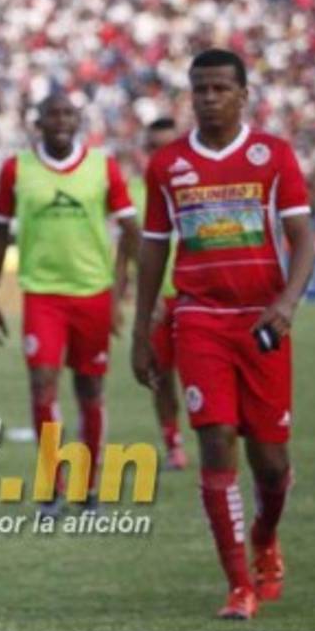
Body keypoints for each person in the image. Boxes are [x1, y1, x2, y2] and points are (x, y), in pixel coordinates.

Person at [132, 49, 315, 621]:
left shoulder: (273, 155)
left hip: (263, 320)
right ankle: (239, 584)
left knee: (272, 463)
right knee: (215, 442)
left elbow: (305, 240)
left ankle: (265, 534)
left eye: (219, 89)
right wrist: (142, 330)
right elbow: (154, 247)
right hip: (199, 319)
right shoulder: (168, 164)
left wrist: (287, 302)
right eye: (200, 89)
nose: (209, 98)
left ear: (243, 94)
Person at [0, 92, 139, 513]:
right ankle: (52, 484)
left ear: (78, 121)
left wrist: (129, 284)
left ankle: (88, 488)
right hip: (43, 295)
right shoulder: (17, 169)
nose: (61, 121)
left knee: (90, 388)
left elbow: (131, 227)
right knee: (42, 384)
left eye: (68, 114)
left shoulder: (102, 166)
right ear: (38, 123)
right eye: (53, 114)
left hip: (93, 293)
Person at [128, 117, 187, 470]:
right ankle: (173, 444)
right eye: (153, 148)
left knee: (207, 376)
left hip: (196, 296)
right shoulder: (135, 190)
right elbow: (127, 245)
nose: (160, 155)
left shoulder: (198, 181)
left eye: (167, 146)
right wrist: (134, 295)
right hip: (158, 302)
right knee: (161, 376)